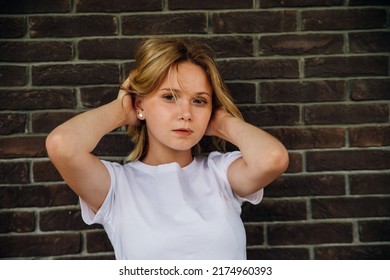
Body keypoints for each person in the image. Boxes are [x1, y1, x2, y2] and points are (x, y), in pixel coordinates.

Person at [46, 37, 289, 260]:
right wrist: (121, 110)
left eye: (199, 101)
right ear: (140, 103)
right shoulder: (117, 187)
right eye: (169, 97)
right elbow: (63, 145)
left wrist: (223, 123)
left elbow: (273, 158)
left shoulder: (220, 173)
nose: (186, 114)